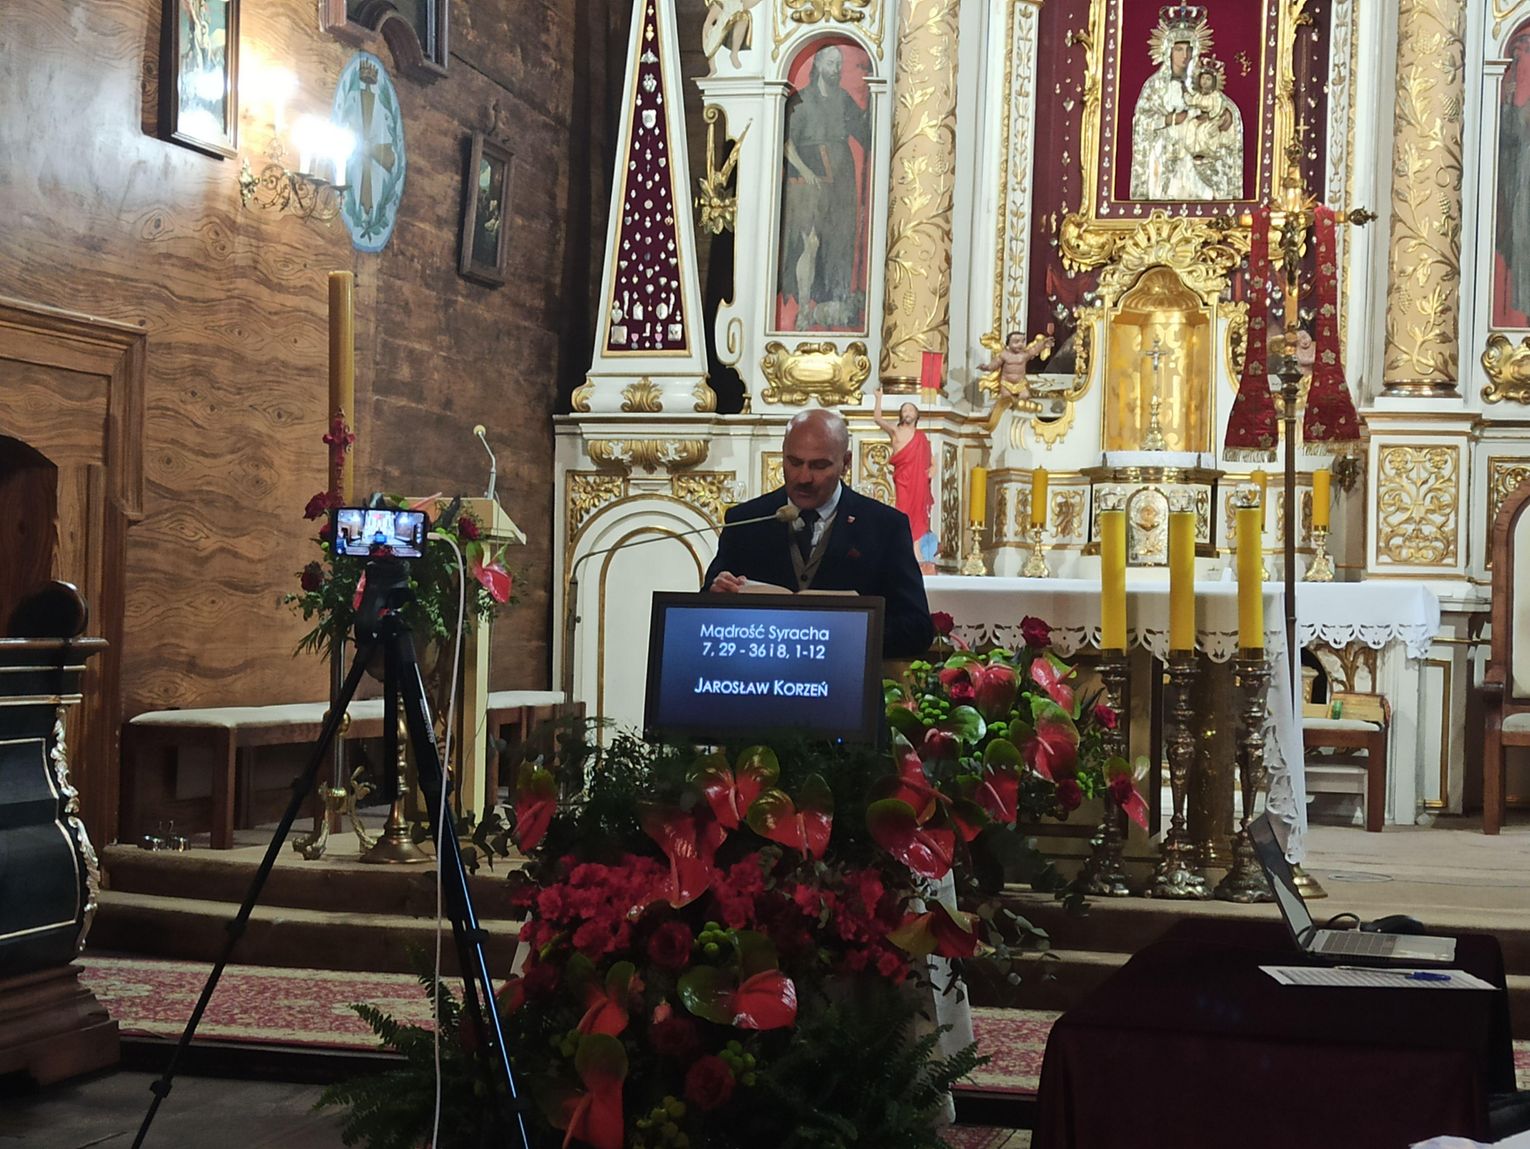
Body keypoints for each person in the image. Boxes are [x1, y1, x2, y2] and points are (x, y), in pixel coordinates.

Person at [704, 408, 935, 659]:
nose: (804, 478)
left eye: (819, 465)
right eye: (794, 463)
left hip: (846, 677)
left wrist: (847, 633)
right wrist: (716, 596)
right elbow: (704, 613)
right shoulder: (746, 521)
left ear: (846, 463)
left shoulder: (884, 526)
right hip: (761, 674)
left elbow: (917, 630)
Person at [779, 45, 871, 330]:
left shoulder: (843, 99)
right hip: (808, 182)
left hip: (841, 179)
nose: (837, 69)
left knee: (839, 239)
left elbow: (866, 133)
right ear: (818, 65)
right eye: (831, 63)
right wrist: (806, 171)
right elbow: (786, 141)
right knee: (809, 243)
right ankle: (803, 307)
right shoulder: (801, 101)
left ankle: (834, 300)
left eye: (839, 64)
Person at [1128, 12, 1240, 201]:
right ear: (1168, 51)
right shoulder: (1154, 86)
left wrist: (1227, 117)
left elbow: (1220, 106)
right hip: (1166, 156)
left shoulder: (1202, 82)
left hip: (1196, 156)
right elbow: (1142, 120)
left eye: (1188, 50)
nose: (1184, 55)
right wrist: (1169, 119)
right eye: (1179, 49)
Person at [872, 388, 935, 568]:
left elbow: (931, 460)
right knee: (904, 511)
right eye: (905, 410)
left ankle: (915, 549)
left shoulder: (921, 437)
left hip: (918, 479)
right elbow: (878, 419)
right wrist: (878, 398)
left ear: (916, 415)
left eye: (910, 410)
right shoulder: (895, 430)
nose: (907, 413)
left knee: (919, 513)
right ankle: (902, 547)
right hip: (903, 478)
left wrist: (933, 469)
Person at [977, 330, 1053, 433]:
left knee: (1025, 396)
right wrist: (987, 367)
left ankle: (1019, 419)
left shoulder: (1024, 355)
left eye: (1022, 341)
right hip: (1006, 384)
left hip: (1020, 384)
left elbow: (1034, 349)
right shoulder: (1004, 355)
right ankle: (1002, 420)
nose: (1020, 344)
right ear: (1008, 343)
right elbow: (995, 364)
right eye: (1016, 342)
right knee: (1006, 401)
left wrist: (1044, 344)